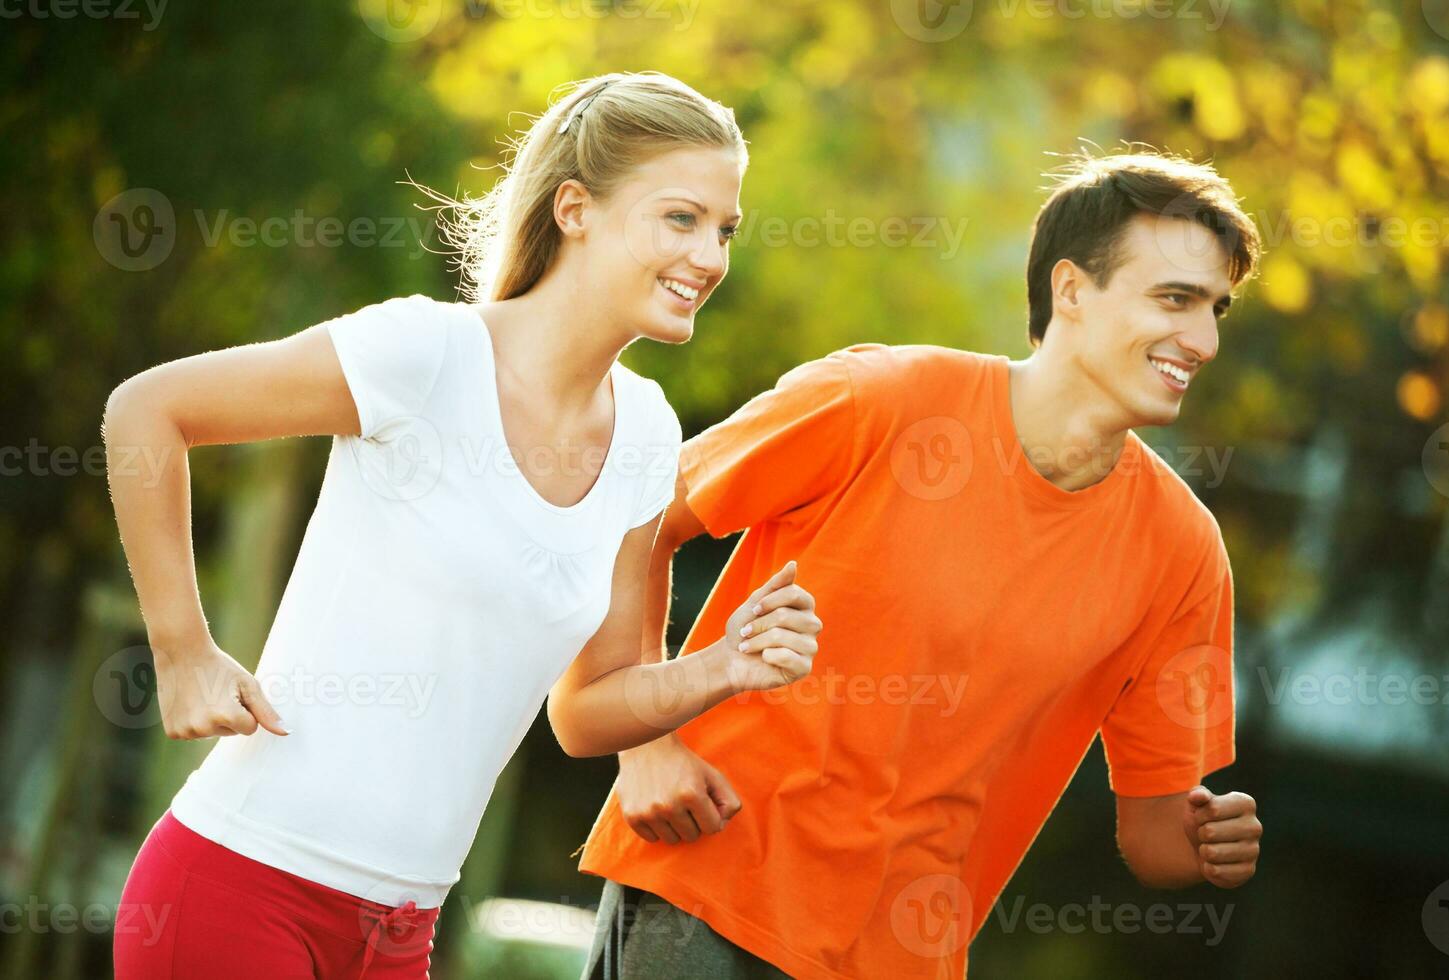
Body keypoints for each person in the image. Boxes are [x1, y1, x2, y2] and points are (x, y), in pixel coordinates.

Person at [106, 71, 821, 979]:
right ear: (575, 209)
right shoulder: (425, 356)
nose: (711, 257)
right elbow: (146, 412)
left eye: (725, 230)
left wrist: (720, 669)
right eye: (681, 218)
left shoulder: (647, 434)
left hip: (400, 934)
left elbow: (590, 707)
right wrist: (181, 650)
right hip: (242, 889)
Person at [578, 149, 1266, 979]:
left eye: (1216, 308)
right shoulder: (882, 398)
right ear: (1072, 291)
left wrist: (1205, 841)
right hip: (705, 887)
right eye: (1176, 299)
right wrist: (645, 744)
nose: (1204, 338)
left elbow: (1152, 835)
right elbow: (636, 518)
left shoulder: (1183, 552)